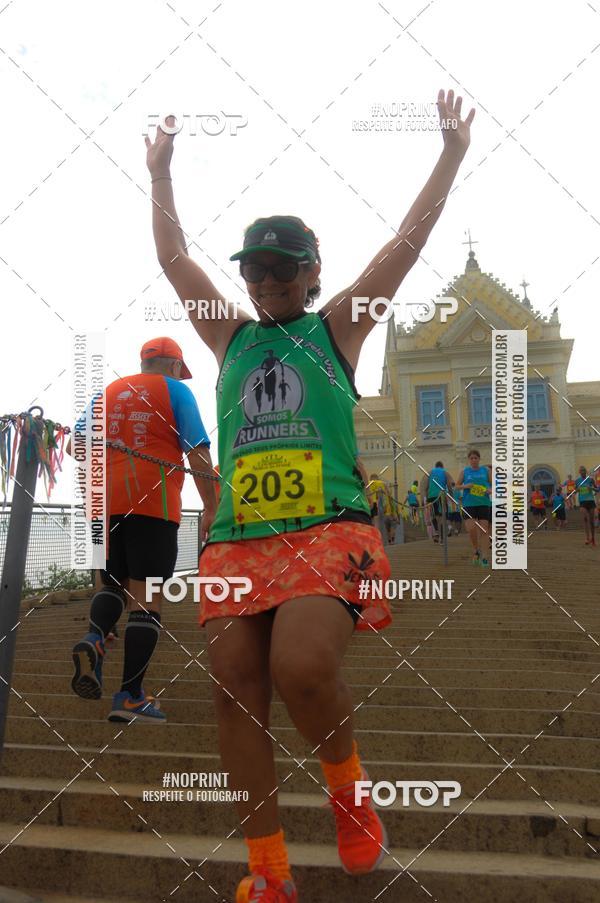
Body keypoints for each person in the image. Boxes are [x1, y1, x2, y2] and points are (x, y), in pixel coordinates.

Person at [146, 88, 475, 902]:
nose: (265, 280)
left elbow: (404, 242)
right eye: (254, 268)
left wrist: (450, 153)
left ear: (311, 272)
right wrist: (160, 173)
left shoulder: (338, 329)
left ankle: (349, 788)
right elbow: (173, 261)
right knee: (232, 686)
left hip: (329, 530)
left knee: (301, 665)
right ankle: (269, 871)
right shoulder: (229, 337)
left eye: (282, 268)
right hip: (236, 540)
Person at [68, 338, 217, 722]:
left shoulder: (109, 391)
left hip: (103, 510)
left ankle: (95, 638)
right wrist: (211, 508)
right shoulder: (176, 391)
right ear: (173, 366)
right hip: (153, 507)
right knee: (146, 598)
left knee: (112, 585)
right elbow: (198, 452)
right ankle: (131, 696)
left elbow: (75, 446)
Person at [456, 449, 492, 566]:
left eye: (476, 458)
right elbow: (457, 486)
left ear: (479, 459)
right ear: (469, 460)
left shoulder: (485, 470)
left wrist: (490, 490)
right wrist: (466, 485)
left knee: (484, 530)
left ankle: (485, 557)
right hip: (469, 503)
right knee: (471, 528)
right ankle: (476, 549)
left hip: (483, 503)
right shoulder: (464, 471)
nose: (474, 460)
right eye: (471, 458)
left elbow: (493, 485)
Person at [420, 461, 453, 543]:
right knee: (441, 516)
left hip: (431, 497)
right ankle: (442, 537)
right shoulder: (445, 472)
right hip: (441, 496)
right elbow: (450, 485)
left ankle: (437, 533)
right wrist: (451, 495)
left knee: (433, 516)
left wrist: (423, 500)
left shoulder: (429, 472)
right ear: (442, 466)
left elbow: (423, 486)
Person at [575, 465, 599, 546]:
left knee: (591, 522)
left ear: (586, 471)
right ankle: (587, 538)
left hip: (591, 501)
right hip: (582, 502)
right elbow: (575, 491)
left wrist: (591, 488)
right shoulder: (577, 481)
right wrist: (577, 490)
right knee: (585, 518)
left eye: (584, 470)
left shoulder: (590, 480)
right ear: (579, 472)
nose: (582, 472)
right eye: (581, 471)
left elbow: (597, 489)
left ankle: (593, 539)